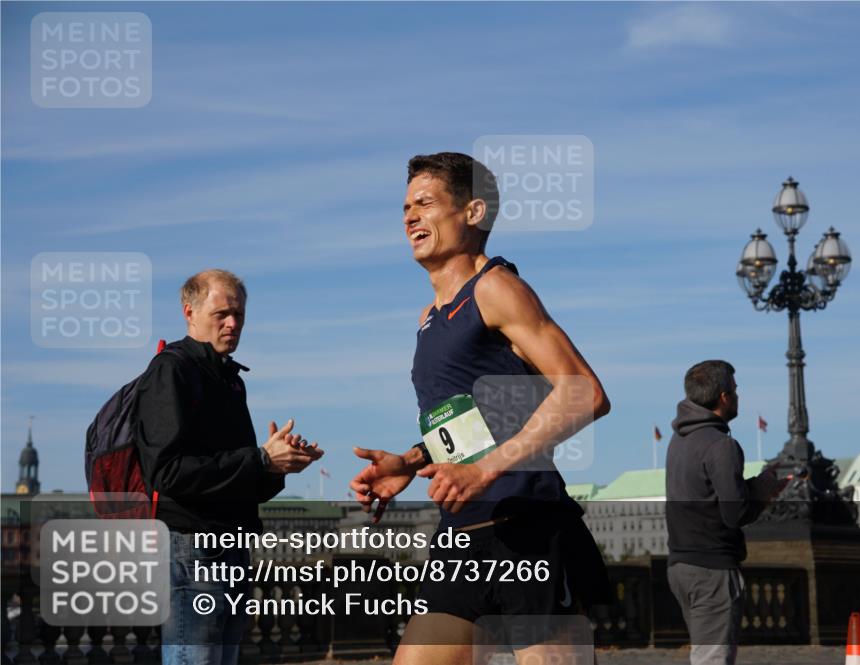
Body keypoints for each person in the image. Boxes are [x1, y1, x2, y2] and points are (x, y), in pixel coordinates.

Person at [350, 152, 611, 664]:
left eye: (426, 203)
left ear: (472, 213)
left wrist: (485, 470)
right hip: (461, 535)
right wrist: (409, 462)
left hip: (527, 528)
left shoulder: (495, 288)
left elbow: (585, 392)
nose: (410, 216)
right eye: (405, 206)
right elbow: (477, 422)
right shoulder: (430, 316)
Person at [135, 269, 324, 665]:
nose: (233, 323)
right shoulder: (172, 370)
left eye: (239, 314)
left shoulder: (230, 379)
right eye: (221, 313)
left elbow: (238, 483)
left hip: (233, 547)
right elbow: (167, 473)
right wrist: (259, 459)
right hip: (193, 549)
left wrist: (278, 467)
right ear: (189, 312)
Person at [665, 360, 786, 665]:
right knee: (712, 659)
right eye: (735, 390)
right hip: (712, 569)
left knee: (704, 654)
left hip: (680, 565)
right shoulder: (722, 445)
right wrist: (764, 491)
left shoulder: (678, 440)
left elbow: (706, 495)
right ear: (723, 396)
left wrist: (755, 485)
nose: (737, 396)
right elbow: (735, 513)